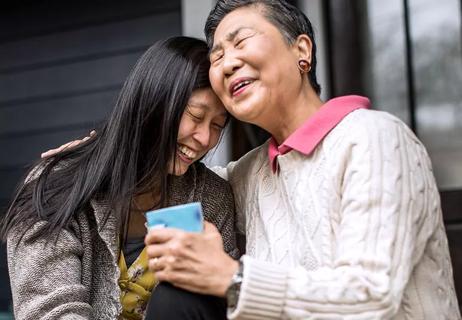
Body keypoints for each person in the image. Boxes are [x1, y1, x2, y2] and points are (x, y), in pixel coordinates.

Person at [142, 1, 461, 319]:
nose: (228, 64)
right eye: (218, 57)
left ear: (302, 51)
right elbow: (175, 168)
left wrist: (232, 278)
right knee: (176, 296)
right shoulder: (250, 173)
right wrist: (103, 148)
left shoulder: (375, 137)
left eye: (240, 42)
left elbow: (370, 296)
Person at [1, 36, 239, 320]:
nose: (205, 139)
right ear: (153, 102)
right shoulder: (58, 187)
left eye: (217, 125)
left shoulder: (210, 198)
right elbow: (49, 312)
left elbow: (224, 307)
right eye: (195, 116)